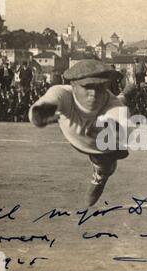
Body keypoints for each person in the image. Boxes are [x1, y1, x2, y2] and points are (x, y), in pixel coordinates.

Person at [28, 59, 131, 206]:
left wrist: (109, 129)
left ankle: (100, 174)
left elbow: (120, 120)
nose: (93, 94)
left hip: (99, 147)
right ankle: (125, 95)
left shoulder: (113, 105)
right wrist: (41, 115)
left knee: (106, 166)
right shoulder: (62, 93)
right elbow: (46, 104)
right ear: (73, 85)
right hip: (76, 140)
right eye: (87, 87)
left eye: (100, 87)